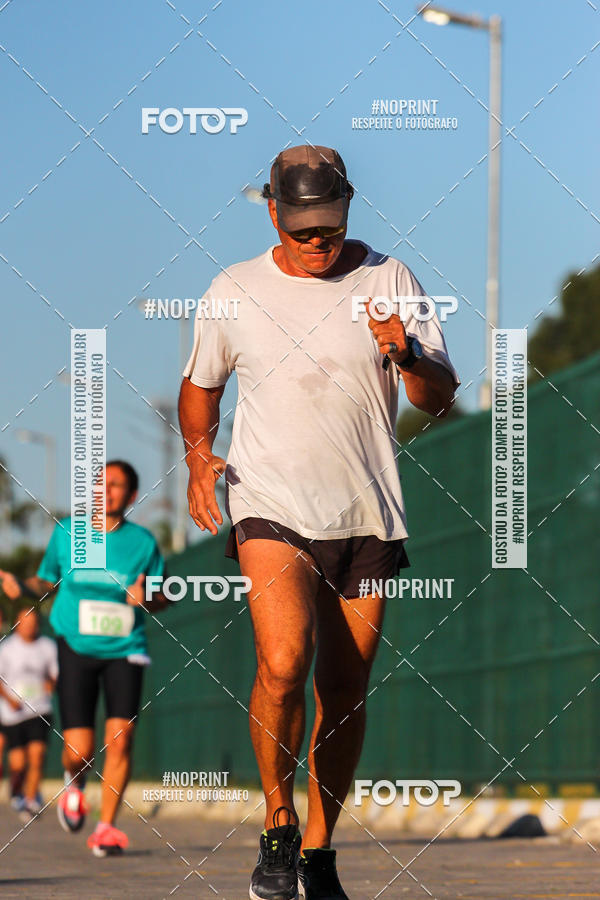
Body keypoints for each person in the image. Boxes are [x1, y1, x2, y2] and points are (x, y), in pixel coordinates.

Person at [179, 145, 459, 900]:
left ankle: (319, 849)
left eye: (328, 228)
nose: (316, 242)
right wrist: (199, 458)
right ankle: (277, 821)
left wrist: (404, 353)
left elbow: (438, 398)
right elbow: (200, 388)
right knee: (283, 660)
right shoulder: (232, 289)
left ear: (346, 209)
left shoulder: (390, 279)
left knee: (345, 690)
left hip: (366, 513)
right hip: (270, 504)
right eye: (301, 228)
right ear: (273, 209)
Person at [0, 460, 170, 856]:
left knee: (122, 740)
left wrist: (150, 597)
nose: (107, 490)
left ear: (130, 495)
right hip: (75, 647)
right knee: (79, 750)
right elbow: (47, 579)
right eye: (101, 483)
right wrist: (21, 586)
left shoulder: (143, 543)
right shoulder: (67, 533)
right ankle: (74, 783)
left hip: (125, 649)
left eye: (117, 485)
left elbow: (164, 595)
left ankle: (106, 827)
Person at [0, 607, 57, 820]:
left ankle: (31, 801)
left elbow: (54, 673)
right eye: (25, 622)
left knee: (38, 755)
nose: (30, 627)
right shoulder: (6, 649)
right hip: (13, 713)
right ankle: (17, 790)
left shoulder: (47, 647)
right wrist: (9, 699)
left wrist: (51, 684)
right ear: (18, 623)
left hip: (39, 709)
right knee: (18, 762)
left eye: (33, 622)